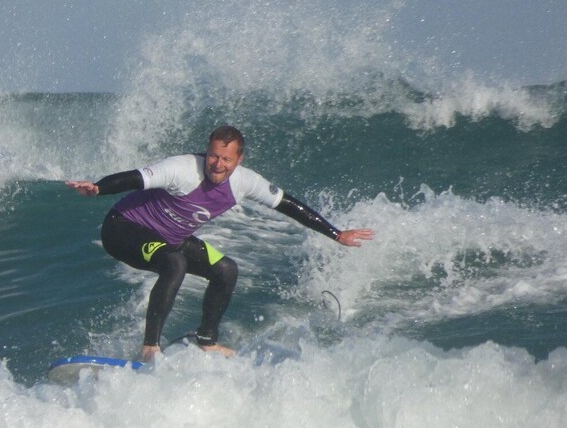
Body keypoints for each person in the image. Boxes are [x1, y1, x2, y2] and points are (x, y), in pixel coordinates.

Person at [67, 125, 374, 361]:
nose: (217, 164)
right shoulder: (183, 168)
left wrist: (336, 234)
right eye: (214, 155)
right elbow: (135, 178)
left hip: (171, 238)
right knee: (175, 263)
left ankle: (207, 341)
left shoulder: (245, 182)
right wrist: (98, 187)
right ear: (207, 151)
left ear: (239, 160)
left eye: (226, 159)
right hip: (124, 229)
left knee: (226, 269)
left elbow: (288, 205)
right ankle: (150, 348)